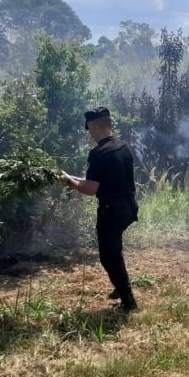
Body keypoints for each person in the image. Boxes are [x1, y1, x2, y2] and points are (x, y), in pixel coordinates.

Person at [59, 107, 139, 311]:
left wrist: (68, 182)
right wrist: (70, 177)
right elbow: (96, 181)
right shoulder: (123, 147)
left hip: (111, 211)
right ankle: (120, 286)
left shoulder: (99, 153)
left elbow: (90, 189)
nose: (89, 134)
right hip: (128, 207)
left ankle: (128, 302)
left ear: (94, 127)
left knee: (108, 256)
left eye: (89, 129)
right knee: (115, 250)